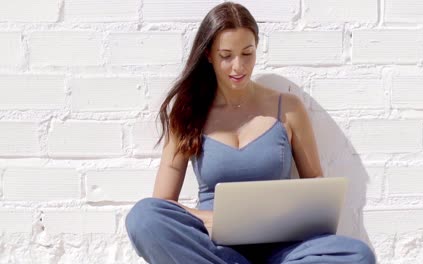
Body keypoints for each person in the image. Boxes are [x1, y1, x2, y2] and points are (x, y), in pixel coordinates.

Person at [125, 2, 376, 263]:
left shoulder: (287, 108)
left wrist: (282, 220)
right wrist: (212, 219)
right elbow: (164, 206)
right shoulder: (189, 113)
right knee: (144, 217)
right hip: (216, 249)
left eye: (247, 53)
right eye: (226, 56)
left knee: (356, 255)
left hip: (283, 250)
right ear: (209, 55)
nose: (238, 66)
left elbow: (316, 193)